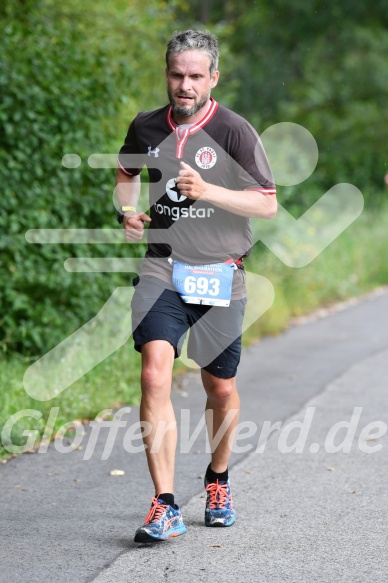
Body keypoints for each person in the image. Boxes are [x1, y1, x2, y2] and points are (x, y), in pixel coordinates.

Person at [115, 29, 277, 543]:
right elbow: (125, 173)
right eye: (176, 75)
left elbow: (266, 202)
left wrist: (209, 190)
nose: (184, 86)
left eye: (194, 77)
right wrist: (127, 210)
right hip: (163, 266)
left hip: (220, 273)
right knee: (154, 372)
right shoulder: (145, 127)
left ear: (213, 78)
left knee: (220, 387)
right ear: (166, 73)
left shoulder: (234, 131)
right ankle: (164, 505)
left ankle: (217, 481)